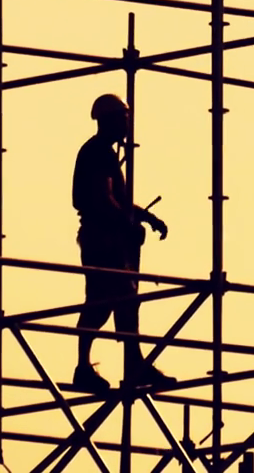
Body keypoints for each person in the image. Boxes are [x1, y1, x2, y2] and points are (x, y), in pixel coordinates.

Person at [69, 94, 174, 392]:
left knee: (122, 302)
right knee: (103, 303)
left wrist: (145, 217)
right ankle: (87, 367)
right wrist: (128, 223)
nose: (127, 125)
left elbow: (117, 201)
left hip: (107, 237)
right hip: (102, 239)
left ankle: (131, 363)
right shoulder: (98, 153)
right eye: (123, 119)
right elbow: (102, 200)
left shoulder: (102, 152)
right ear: (109, 120)